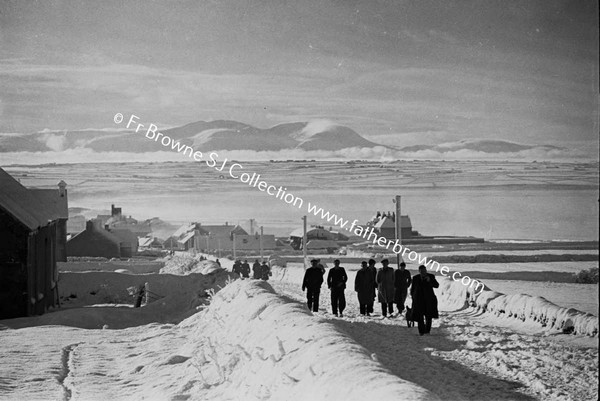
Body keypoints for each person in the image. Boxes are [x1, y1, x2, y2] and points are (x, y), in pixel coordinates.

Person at [410, 264, 440, 335]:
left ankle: (427, 330)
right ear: (419, 271)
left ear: (426, 270)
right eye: (421, 271)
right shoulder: (415, 278)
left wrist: (430, 281)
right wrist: (413, 297)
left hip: (428, 300)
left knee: (428, 316)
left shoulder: (431, 276)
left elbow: (437, 285)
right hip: (419, 300)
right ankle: (421, 331)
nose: (423, 272)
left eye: (424, 271)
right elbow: (413, 289)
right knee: (419, 316)